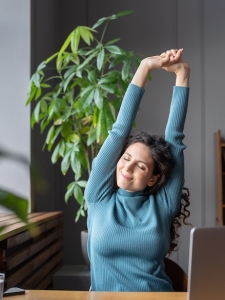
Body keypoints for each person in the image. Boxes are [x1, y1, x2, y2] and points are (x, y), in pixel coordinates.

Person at [84, 48, 191, 292]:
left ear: (153, 178)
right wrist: (145, 66)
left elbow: (174, 140)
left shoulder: (163, 205)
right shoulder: (98, 197)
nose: (127, 167)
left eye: (141, 166)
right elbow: (119, 130)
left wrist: (183, 73)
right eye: (126, 157)